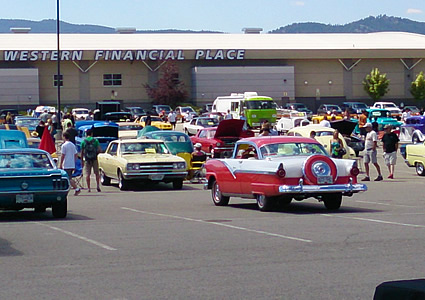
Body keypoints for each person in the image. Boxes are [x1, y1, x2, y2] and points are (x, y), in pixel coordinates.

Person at [60, 131, 81, 196]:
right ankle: (68, 188)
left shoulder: (64, 145)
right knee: (69, 177)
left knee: (68, 178)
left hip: (66, 164)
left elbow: (62, 155)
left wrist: (60, 163)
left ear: (64, 137)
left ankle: (77, 188)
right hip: (71, 164)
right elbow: (76, 154)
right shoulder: (72, 145)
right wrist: (74, 162)